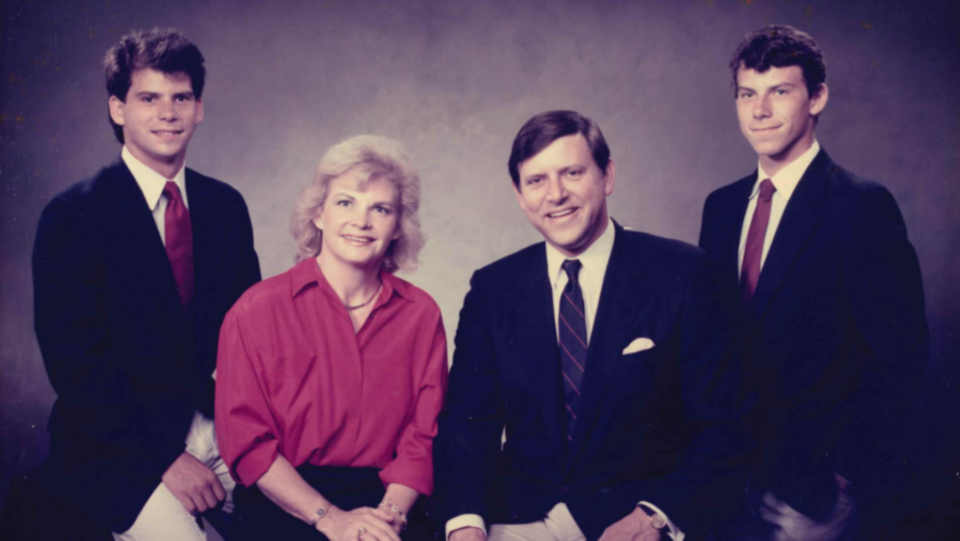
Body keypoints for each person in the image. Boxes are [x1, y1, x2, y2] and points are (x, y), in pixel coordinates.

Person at [435, 110, 749, 541]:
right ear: (519, 194)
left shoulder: (684, 273)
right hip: (519, 514)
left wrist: (655, 516)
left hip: (635, 517)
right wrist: (465, 524)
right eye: (537, 181)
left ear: (607, 176)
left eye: (572, 172)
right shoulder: (494, 288)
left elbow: (725, 425)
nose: (556, 194)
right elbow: (470, 422)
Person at [698, 25, 929, 540]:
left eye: (779, 92)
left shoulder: (860, 207)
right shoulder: (721, 207)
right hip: (725, 479)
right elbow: (714, 344)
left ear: (817, 97)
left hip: (811, 489)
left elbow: (899, 361)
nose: (759, 111)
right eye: (747, 94)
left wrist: (844, 481)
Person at [32, 28, 261, 540]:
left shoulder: (225, 207)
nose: (168, 113)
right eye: (149, 98)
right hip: (117, 447)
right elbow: (77, 366)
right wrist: (165, 458)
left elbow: (250, 334)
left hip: (213, 426)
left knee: (299, 520)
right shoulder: (74, 215)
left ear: (199, 108)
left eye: (181, 97)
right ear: (118, 109)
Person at [216, 135, 448, 541]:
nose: (362, 221)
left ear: (397, 226)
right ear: (318, 214)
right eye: (345, 203)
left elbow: (422, 435)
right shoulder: (255, 311)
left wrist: (389, 515)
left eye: (380, 208)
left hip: (388, 502)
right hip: (285, 502)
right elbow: (247, 443)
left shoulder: (421, 315)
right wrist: (331, 519)